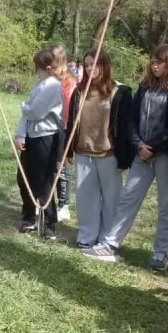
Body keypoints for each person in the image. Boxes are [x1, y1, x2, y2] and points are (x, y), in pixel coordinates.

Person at [82, 44, 168, 271]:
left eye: (160, 62)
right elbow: (130, 120)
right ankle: (110, 244)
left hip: (167, 156)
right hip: (142, 155)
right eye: (152, 62)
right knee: (129, 198)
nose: (154, 66)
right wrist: (139, 145)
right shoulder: (144, 88)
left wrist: (152, 146)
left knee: (165, 206)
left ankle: (160, 254)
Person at [67, 49, 132, 249]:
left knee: (111, 199)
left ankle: (107, 238)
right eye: (86, 65)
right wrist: (68, 150)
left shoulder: (119, 92)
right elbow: (71, 123)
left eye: (94, 64)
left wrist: (125, 155)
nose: (89, 69)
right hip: (83, 151)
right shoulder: (79, 92)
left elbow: (126, 125)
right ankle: (87, 236)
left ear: (104, 65)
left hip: (108, 153)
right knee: (86, 197)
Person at [14, 47, 64, 239]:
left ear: (47, 67)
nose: (37, 71)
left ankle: (49, 224)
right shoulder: (40, 84)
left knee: (43, 181)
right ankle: (30, 217)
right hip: (32, 137)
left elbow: (35, 112)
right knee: (23, 177)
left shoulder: (52, 85)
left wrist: (23, 106)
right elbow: (28, 117)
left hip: (45, 137)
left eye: (39, 67)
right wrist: (20, 135)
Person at [53, 45, 77, 222]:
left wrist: (67, 134)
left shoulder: (70, 83)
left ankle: (64, 205)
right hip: (50, 129)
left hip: (64, 129)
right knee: (51, 166)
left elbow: (69, 111)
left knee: (62, 167)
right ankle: (50, 202)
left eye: (55, 64)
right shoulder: (51, 80)